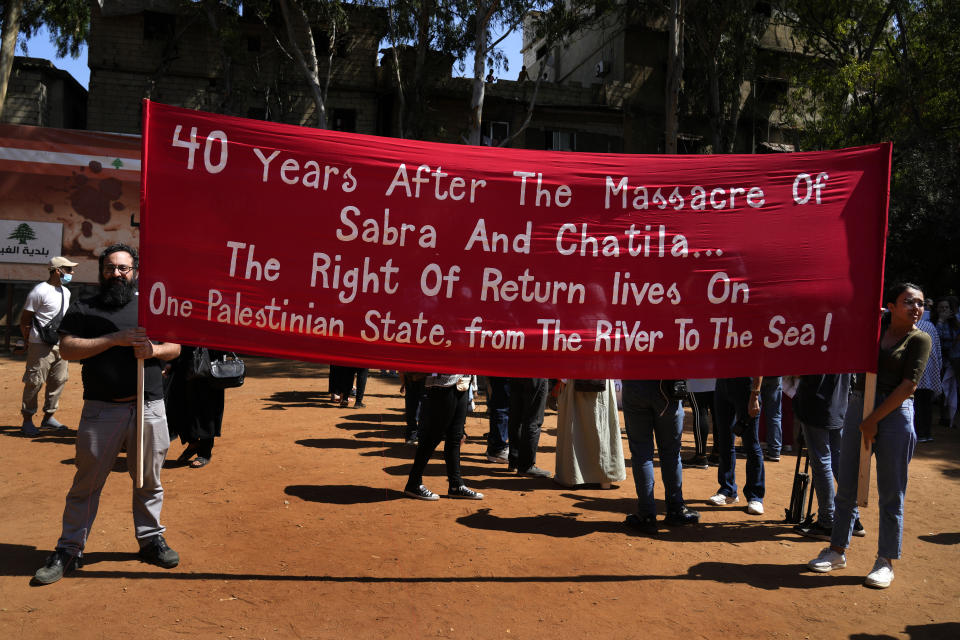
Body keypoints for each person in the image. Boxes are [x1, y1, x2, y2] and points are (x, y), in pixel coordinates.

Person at [33, 244, 182, 585]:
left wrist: (154, 349)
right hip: (103, 410)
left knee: (148, 480)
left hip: (149, 406)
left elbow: (176, 346)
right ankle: (70, 549)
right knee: (87, 483)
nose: (117, 273)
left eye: (123, 268)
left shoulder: (152, 305)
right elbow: (68, 348)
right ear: (101, 271)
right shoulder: (85, 304)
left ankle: (150, 540)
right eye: (110, 268)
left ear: (135, 271)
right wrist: (114, 339)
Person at [808, 283, 931, 589]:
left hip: (896, 411)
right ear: (891, 305)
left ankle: (885, 561)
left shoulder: (920, 338)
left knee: (892, 490)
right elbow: (842, 319)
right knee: (847, 482)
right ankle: (836, 549)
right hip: (859, 403)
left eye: (920, 303)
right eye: (908, 302)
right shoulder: (873, 327)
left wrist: (872, 420)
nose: (916, 308)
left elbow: (908, 387)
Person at [621, 380, 700, 533]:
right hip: (667, 388)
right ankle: (676, 509)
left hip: (635, 386)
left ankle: (647, 515)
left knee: (642, 454)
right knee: (670, 453)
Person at [19, 256, 78, 436]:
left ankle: (49, 417)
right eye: (68, 270)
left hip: (61, 344)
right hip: (40, 344)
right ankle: (27, 420)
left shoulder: (66, 292)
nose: (72, 273)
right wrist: (29, 341)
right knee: (34, 381)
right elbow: (25, 320)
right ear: (58, 270)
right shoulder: (39, 291)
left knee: (59, 380)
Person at [404, 373, 484, 500]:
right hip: (441, 384)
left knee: (455, 437)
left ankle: (456, 485)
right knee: (433, 436)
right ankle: (413, 483)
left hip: (463, 382)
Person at [792, 374, 852, 540]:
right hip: (838, 403)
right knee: (837, 461)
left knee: (822, 463)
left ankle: (827, 521)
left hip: (817, 404)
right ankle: (852, 518)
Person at [709, 376, 766, 515]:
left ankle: (755, 496)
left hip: (746, 386)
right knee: (724, 442)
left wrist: (755, 395)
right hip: (722, 384)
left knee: (751, 444)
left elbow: (759, 363)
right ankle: (728, 490)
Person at [553, 379, 626, 488]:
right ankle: (604, 479)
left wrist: (563, 379)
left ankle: (573, 476)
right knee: (602, 427)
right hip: (602, 381)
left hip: (575, 380)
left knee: (575, 427)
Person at [164, 346, 227, 468]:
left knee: (206, 409)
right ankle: (192, 443)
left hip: (208, 364)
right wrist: (170, 362)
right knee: (177, 406)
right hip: (183, 363)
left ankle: (205, 452)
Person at [507, 377, 552, 477]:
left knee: (516, 417)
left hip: (516, 370)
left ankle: (515, 461)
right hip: (536, 371)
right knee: (533, 419)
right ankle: (525, 466)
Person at [682, 378, 715, 469]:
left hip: (696, 379)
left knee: (700, 413)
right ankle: (717, 455)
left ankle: (701, 457)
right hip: (717, 378)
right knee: (717, 416)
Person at [485, 376, 511, 463]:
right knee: (502, 406)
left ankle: (495, 448)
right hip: (504, 371)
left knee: (502, 405)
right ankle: (497, 449)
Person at [762, 376, 784, 461]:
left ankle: (750, 447)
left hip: (757, 374)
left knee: (753, 414)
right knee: (774, 415)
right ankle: (774, 451)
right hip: (775, 377)